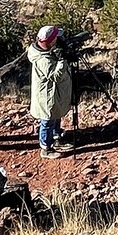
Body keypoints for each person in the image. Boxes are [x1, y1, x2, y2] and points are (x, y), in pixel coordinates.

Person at [28, 25, 75, 159]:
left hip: (53, 94)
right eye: (56, 37)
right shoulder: (43, 59)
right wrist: (62, 60)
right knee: (47, 120)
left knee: (55, 114)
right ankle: (46, 148)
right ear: (51, 41)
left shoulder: (46, 52)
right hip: (47, 96)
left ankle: (56, 137)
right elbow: (55, 76)